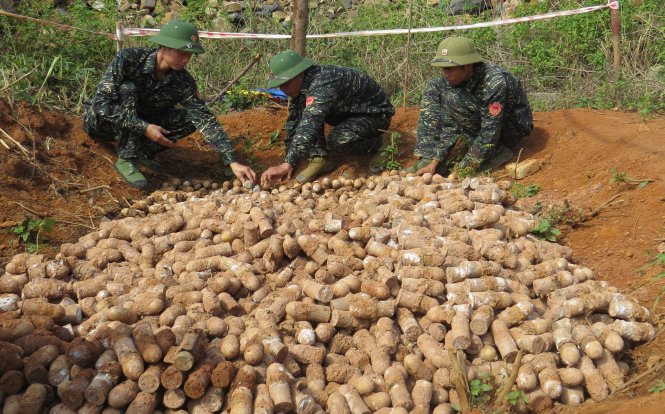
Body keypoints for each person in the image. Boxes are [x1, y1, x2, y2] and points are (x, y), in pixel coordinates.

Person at [83, 20, 256, 189]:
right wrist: (144, 127)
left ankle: (141, 153)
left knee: (191, 118)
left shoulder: (183, 81)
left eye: (190, 55)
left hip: (141, 124)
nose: (186, 59)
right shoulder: (129, 59)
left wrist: (232, 161)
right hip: (102, 124)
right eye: (182, 53)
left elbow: (205, 119)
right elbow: (101, 104)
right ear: (164, 46)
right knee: (128, 89)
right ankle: (127, 158)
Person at [260, 50, 395, 186]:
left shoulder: (322, 82)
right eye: (280, 85)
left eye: (286, 83)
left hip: (375, 115)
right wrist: (289, 162)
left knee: (338, 140)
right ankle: (319, 158)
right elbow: (295, 121)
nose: (283, 89)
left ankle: (380, 143)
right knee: (306, 111)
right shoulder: (302, 86)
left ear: (300, 73)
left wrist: (288, 162)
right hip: (347, 114)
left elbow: (310, 123)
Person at [408, 36, 533, 176]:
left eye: (450, 69)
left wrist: (464, 167)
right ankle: (428, 157)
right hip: (483, 123)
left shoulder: (494, 82)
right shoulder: (456, 80)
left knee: (453, 99)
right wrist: (435, 160)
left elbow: (489, 132)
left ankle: (497, 153)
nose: (446, 74)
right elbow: (451, 123)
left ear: (467, 66)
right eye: (443, 68)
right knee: (434, 85)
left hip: (509, 128)